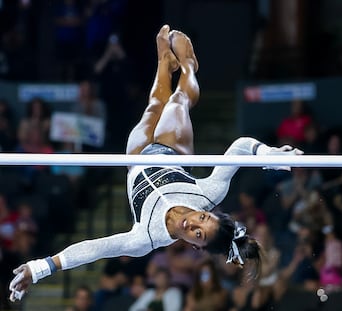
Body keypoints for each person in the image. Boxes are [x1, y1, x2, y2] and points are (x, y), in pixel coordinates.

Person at [8, 24, 303, 302]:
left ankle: (165, 61)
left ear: (194, 246)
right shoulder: (208, 195)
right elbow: (240, 148)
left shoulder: (146, 238)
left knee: (153, 106)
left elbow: (95, 249)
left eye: (197, 234)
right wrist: (267, 154)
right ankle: (188, 67)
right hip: (172, 150)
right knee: (176, 103)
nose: (194, 221)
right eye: (204, 219)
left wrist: (40, 268)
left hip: (135, 158)